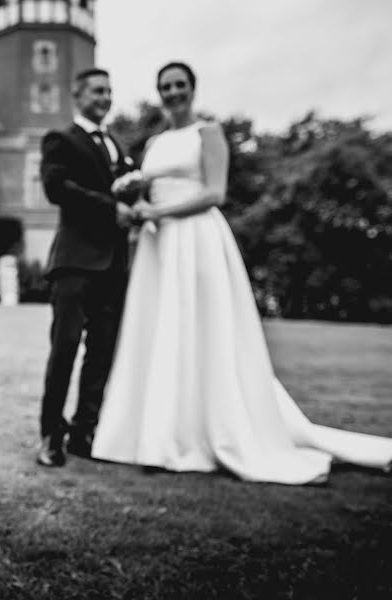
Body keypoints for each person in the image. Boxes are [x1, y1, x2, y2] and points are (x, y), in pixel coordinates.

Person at [90, 62, 392, 484]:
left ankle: (205, 432)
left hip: (196, 239)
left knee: (202, 331)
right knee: (162, 333)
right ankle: (156, 436)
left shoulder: (209, 133)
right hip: (159, 247)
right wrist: (134, 197)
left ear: (193, 89)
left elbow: (215, 192)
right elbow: (151, 186)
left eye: (179, 85)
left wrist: (156, 211)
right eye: (165, 87)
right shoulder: (156, 141)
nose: (172, 92)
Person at [35, 68, 135, 467]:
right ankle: (50, 435)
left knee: (102, 354)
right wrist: (115, 208)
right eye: (97, 91)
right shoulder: (61, 140)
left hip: (115, 265)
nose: (105, 97)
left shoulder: (118, 144)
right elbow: (57, 189)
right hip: (75, 262)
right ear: (77, 96)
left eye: (109, 91)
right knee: (65, 350)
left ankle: (84, 432)